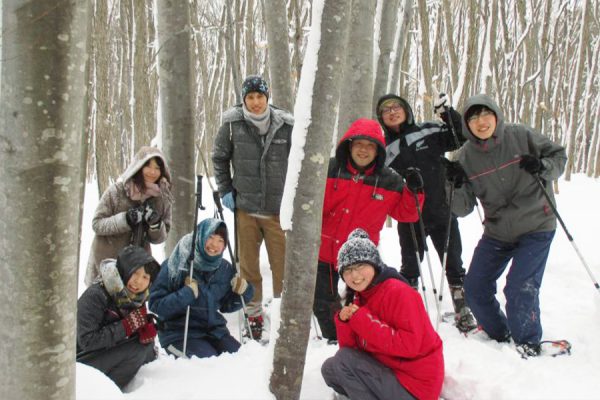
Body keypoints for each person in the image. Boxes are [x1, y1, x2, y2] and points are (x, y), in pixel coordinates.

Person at [447, 94, 567, 357]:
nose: (481, 121)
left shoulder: (520, 135)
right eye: (473, 117)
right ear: (467, 124)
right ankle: (499, 333)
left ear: (496, 114)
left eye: (485, 113)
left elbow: (559, 156)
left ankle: (528, 342)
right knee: (475, 286)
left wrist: (542, 166)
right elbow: (462, 209)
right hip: (498, 231)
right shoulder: (465, 157)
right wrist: (454, 184)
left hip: (537, 222)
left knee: (519, 285)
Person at [314, 118, 424, 343]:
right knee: (322, 301)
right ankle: (334, 338)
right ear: (349, 145)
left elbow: (408, 214)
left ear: (379, 151)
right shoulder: (329, 168)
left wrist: (415, 190)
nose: (363, 150)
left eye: (370, 145)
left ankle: (361, 337)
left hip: (360, 257)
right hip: (324, 250)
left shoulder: (389, 179)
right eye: (358, 144)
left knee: (361, 303)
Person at [376, 93, 477, 332]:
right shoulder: (383, 149)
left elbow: (457, 137)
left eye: (396, 107)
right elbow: (381, 182)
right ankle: (407, 309)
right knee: (410, 266)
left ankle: (462, 306)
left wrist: (447, 113)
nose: (392, 112)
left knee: (453, 260)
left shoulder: (427, 129)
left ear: (407, 110)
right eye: (386, 110)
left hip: (442, 210)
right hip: (409, 216)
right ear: (381, 118)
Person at [212, 75, 293, 340]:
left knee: (282, 265)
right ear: (243, 100)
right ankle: (253, 314)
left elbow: (296, 163)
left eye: (260, 97)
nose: (256, 102)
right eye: (250, 97)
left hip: (277, 210)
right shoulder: (232, 125)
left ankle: (283, 313)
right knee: (247, 266)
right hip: (245, 208)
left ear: (267, 98)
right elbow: (220, 159)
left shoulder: (286, 125)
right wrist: (225, 190)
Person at [321, 229, 444, 400]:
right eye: (347, 270)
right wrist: (345, 322)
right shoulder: (361, 296)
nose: (354, 275)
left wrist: (362, 320)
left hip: (414, 385)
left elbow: (409, 346)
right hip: (389, 372)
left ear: (374, 264)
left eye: (360, 266)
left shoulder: (399, 292)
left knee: (342, 361)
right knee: (330, 369)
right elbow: (354, 351)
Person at [148, 218, 254, 358]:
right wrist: (186, 293)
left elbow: (226, 305)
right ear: (200, 236)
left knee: (241, 359)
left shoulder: (224, 268)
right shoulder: (177, 263)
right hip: (179, 333)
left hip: (215, 331)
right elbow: (156, 305)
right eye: (210, 237)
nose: (214, 245)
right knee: (210, 365)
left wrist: (245, 292)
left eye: (220, 240)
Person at [84, 146, 173, 286]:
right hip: (106, 265)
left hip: (136, 272)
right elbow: (97, 224)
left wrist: (155, 225)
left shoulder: (162, 198)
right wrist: (125, 219)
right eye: (148, 166)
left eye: (157, 168)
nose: (152, 172)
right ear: (138, 166)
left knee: (131, 307)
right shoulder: (118, 191)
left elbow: (161, 237)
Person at [77, 245, 161, 391]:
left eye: (145, 277)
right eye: (135, 273)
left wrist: (143, 332)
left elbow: (129, 335)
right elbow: (86, 341)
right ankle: (105, 392)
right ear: (124, 269)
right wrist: (127, 327)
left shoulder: (135, 298)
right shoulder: (96, 295)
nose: (138, 282)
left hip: (102, 354)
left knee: (145, 347)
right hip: (79, 362)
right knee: (137, 350)